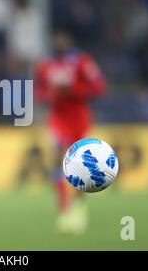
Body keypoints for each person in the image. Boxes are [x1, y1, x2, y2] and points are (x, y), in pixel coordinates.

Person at [35, 29, 107, 234]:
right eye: (56, 39)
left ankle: (79, 207)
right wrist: (48, 95)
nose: (59, 42)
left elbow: (99, 87)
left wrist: (73, 91)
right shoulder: (45, 65)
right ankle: (64, 209)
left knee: (81, 165)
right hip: (58, 120)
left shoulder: (82, 62)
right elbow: (39, 91)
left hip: (80, 120)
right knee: (58, 160)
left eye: (62, 39)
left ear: (69, 41)